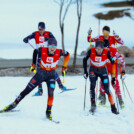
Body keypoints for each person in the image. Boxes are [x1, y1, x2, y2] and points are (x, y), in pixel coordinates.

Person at [1, 38, 70, 120]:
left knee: (51, 93)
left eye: (54, 46)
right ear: (47, 46)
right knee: (26, 90)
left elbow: (68, 54)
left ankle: (48, 112)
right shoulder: (42, 50)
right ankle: (13, 104)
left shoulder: (59, 52)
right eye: (50, 46)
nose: (52, 48)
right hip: (41, 73)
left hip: (51, 75)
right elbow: (35, 52)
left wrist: (64, 67)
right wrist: (33, 64)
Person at [23, 22, 67, 96]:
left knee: (52, 70)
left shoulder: (48, 33)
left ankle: (61, 86)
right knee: (39, 72)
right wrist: (26, 39)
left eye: (42, 29)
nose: (40, 31)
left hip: (48, 55)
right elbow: (28, 37)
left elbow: (54, 40)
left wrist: (49, 39)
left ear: (44, 28)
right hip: (40, 55)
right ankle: (40, 90)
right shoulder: (35, 33)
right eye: (39, 29)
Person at [83, 40, 119, 114]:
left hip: (103, 71)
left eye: (100, 49)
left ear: (103, 48)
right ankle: (93, 105)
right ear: (95, 48)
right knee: (92, 86)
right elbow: (84, 59)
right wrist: (85, 72)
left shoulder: (106, 52)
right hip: (93, 70)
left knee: (107, 89)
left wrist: (113, 77)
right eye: (97, 49)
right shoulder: (91, 51)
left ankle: (113, 107)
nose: (99, 51)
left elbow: (113, 62)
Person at [98, 40, 126, 109]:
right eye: (103, 48)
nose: (104, 50)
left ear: (108, 47)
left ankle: (120, 100)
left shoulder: (113, 50)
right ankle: (102, 99)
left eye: (105, 48)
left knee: (114, 82)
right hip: (105, 67)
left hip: (113, 67)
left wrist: (123, 72)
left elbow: (122, 60)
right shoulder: (100, 51)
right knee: (102, 81)